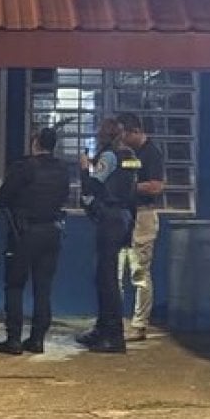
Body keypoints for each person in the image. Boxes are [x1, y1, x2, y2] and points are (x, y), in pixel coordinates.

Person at [0, 127, 70, 355]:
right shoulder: (62, 169)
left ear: (35, 142)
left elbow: (2, 197)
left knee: (15, 285)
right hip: (52, 231)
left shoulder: (24, 167)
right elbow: (64, 196)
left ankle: (14, 339)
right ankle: (37, 340)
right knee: (43, 288)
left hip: (25, 233)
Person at [74, 118, 140, 353]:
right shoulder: (130, 156)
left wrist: (84, 168)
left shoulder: (110, 156)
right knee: (107, 276)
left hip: (110, 218)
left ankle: (112, 335)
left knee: (106, 279)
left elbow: (91, 186)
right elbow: (128, 187)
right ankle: (103, 329)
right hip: (124, 217)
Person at [116, 112, 165, 342]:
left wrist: (128, 186)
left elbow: (156, 186)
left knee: (140, 273)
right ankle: (114, 321)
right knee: (117, 271)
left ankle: (139, 325)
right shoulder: (128, 153)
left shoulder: (152, 153)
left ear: (135, 131)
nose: (121, 138)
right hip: (126, 215)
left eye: (124, 134)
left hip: (143, 216)